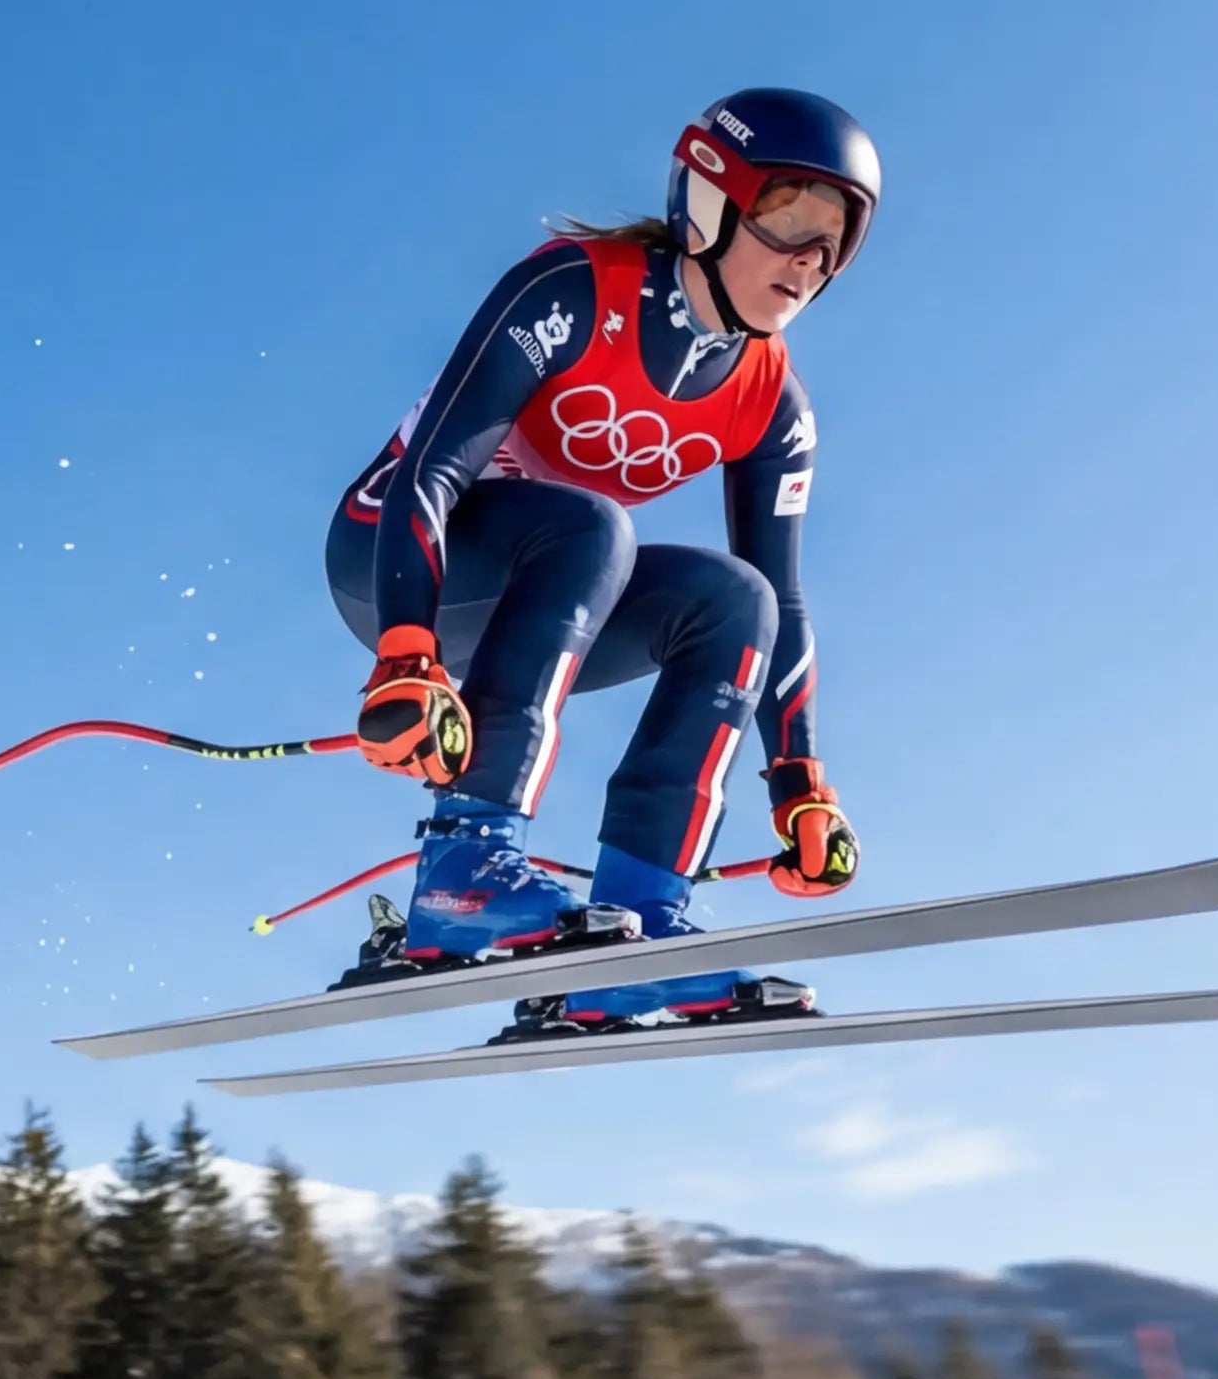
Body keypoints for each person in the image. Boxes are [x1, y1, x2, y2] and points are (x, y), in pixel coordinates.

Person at [325, 87, 874, 1020]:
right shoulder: (576, 289)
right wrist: (407, 652)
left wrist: (799, 782)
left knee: (738, 599)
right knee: (593, 525)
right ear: (711, 198)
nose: (810, 261)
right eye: (790, 221)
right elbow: (430, 470)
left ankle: (638, 927)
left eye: (837, 241)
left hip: (546, 606)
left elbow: (785, 599)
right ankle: (464, 870)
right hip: (401, 564)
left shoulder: (772, 402)